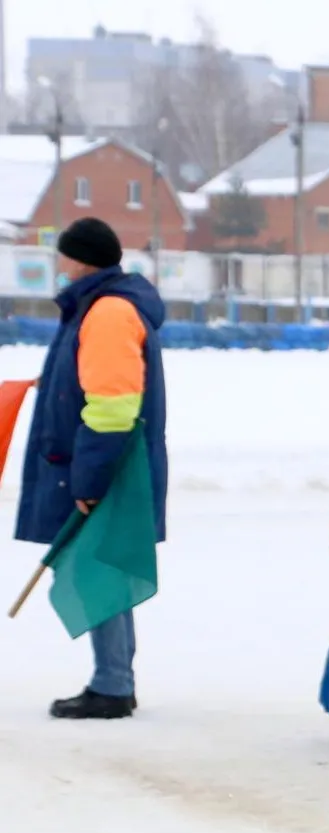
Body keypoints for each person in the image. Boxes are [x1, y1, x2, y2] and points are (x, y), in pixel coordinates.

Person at [13, 217, 167, 720]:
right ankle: (114, 679)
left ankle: (113, 686)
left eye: (63, 256)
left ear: (78, 259)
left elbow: (113, 406)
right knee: (103, 567)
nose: (59, 266)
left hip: (103, 464)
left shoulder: (107, 312)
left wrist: (90, 481)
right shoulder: (100, 307)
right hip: (99, 461)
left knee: (99, 570)